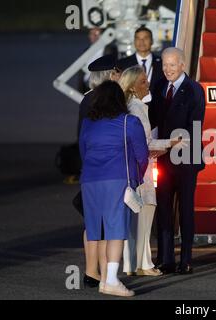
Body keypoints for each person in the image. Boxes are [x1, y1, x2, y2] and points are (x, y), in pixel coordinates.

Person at [79, 80, 149, 296]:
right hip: (117, 180)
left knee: (97, 230)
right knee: (116, 231)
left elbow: (83, 152)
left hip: (90, 181)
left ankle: (102, 278)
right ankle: (110, 280)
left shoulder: (88, 124)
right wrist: (136, 178)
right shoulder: (130, 122)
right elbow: (142, 156)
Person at [118, 66, 182, 276]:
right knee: (144, 216)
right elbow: (146, 144)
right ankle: (143, 265)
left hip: (130, 170)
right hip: (142, 170)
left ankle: (131, 264)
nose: (148, 85)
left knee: (133, 221)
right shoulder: (137, 109)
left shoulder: (126, 107)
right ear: (134, 87)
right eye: (144, 81)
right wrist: (171, 143)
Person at [150, 47, 205, 275]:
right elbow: (153, 119)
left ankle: (186, 260)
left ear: (182, 64)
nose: (168, 69)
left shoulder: (194, 90)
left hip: (185, 159)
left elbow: (195, 125)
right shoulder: (160, 87)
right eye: (164, 65)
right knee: (163, 209)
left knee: (185, 210)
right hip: (163, 159)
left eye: (172, 65)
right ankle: (166, 259)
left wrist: (171, 146)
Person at [75, 55, 123, 288]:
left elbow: (81, 138)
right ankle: (104, 275)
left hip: (90, 171)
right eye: (115, 72)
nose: (118, 75)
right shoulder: (106, 100)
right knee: (105, 225)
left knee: (92, 224)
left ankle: (91, 271)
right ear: (108, 75)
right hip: (106, 171)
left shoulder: (87, 99)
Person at [118, 26, 164, 95]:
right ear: (134, 41)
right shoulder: (123, 64)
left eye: (145, 38)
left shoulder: (162, 63)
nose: (141, 41)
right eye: (138, 38)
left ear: (152, 41)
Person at [77, 28, 118, 94]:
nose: (94, 36)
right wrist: (80, 87)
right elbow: (81, 71)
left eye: (97, 33)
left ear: (103, 35)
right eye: (91, 33)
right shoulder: (86, 50)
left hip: (103, 86)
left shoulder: (111, 49)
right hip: (86, 87)